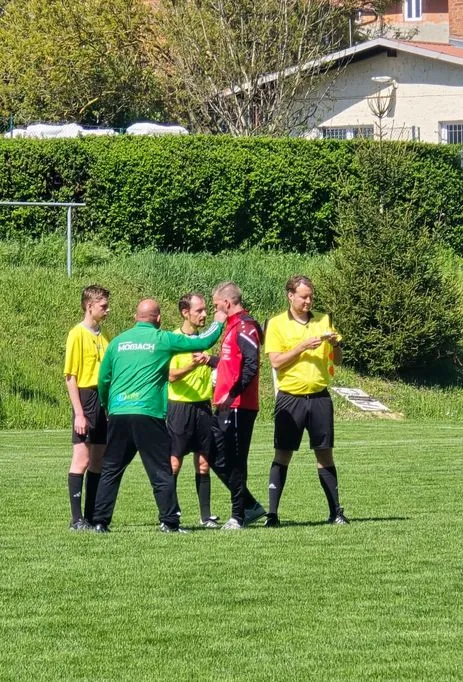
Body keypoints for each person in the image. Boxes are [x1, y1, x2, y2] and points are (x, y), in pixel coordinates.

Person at [92, 298, 226, 534]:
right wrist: (219, 321)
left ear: (135, 317)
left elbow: (103, 379)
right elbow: (204, 341)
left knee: (111, 468)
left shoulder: (118, 342)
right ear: (159, 319)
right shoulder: (162, 339)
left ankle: (100, 522)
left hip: (119, 412)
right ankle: (170, 522)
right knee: (161, 470)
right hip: (148, 413)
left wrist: (107, 405)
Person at [264, 274, 348, 527]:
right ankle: (272, 515)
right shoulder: (277, 324)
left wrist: (335, 345)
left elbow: (338, 361)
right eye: (304, 297)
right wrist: (302, 347)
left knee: (325, 454)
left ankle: (336, 512)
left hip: (320, 397)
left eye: (311, 296)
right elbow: (276, 362)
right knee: (283, 454)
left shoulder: (324, 320)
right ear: (290, 296)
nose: (308, 301)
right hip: (290, 398)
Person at [210, 281, 266, 530]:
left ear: (226, 302)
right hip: (226, 404)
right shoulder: (232, 327)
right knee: (212, 451)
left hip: (239, 405)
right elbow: (231, 363)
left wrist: (232, 395)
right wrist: (210, 360)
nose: (214, 311)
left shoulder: (245, 327)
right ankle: (249, 505)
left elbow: (251, 366)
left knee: (236, 458)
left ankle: (239, 515)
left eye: (215, 306)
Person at [167, 292, 219, 528]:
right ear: (185, 312)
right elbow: (170, 376)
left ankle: (205, 516)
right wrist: (192, 365)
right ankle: (171, 514)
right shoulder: (173, 340)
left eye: (205, 310)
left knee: (204, 463)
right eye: (199, 310)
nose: (204, 314)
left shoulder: (204, 341)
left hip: (203, 407)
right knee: (174, 463)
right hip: (180, 406)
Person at [64, 284, 110, 531]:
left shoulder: (104, 336)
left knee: (98, 460)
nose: (107, 310)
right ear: (89, 306)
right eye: (103, 306)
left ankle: (91, 517)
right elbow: (70, 376)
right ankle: (76, 519)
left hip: (102, 401)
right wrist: (79, 413)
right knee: (81, 459)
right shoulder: (77, 334)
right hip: (86, 398)